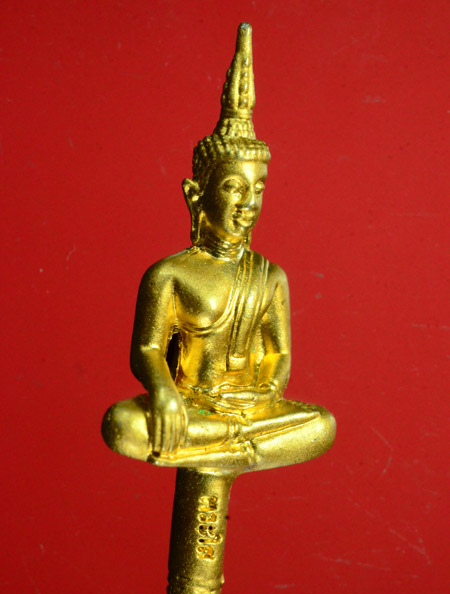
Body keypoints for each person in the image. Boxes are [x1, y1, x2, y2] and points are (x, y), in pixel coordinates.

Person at [101, 23, 335, 474]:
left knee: (320, 424)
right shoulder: (170, 275)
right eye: (233, 187)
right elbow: (147, 350)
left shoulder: (270, 276)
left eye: (258, 189)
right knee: (123, 424)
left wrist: (267, 392)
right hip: (190, 407)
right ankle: (238, 450)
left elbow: (279, 354)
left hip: (250, 410)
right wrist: (165, 394)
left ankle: (228, 446)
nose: (248, 203)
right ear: (196, 195)